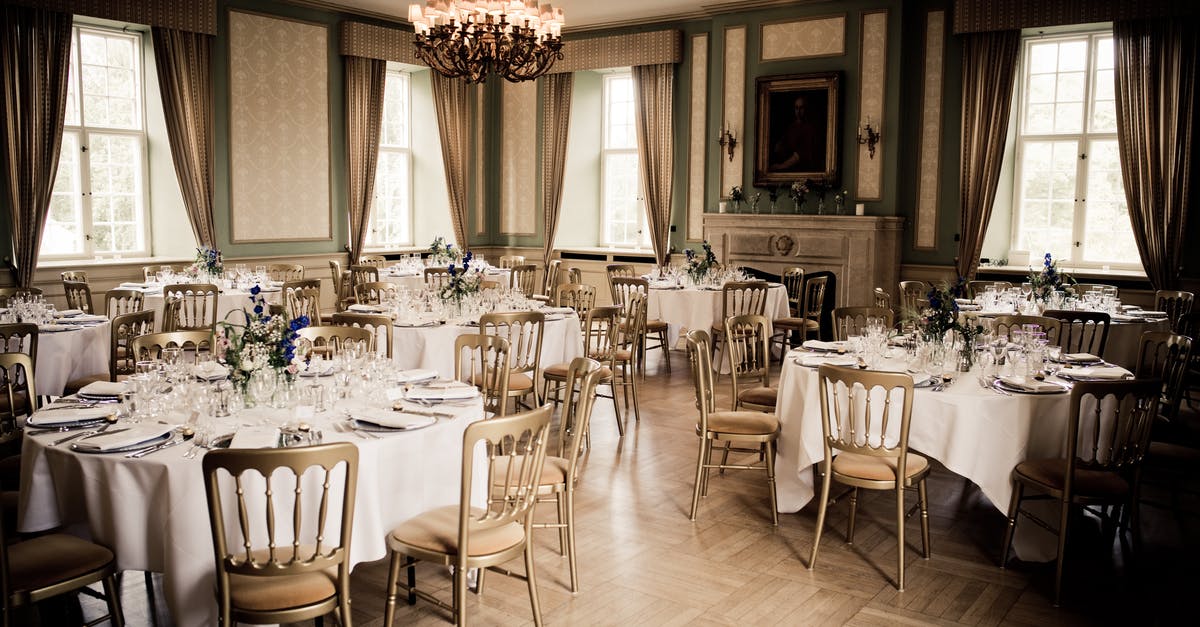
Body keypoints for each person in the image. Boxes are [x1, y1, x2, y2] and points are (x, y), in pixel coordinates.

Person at [771, 94, 822, 172]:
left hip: (802, 169)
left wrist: (781, 166)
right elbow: (783, 145)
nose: (798, 111)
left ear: (806, 109)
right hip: (789, 166)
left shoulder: (809, 128)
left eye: (801, 108)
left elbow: (801, 154)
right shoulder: (791, 127)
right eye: (796, 108)